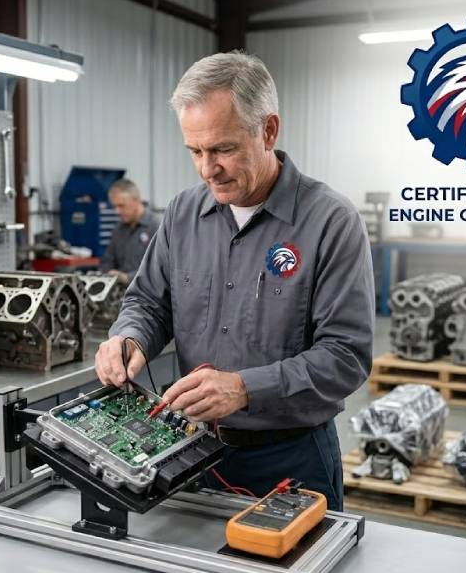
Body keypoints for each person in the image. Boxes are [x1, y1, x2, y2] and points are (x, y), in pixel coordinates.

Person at [94, 51, 374, 510]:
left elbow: (345, 357)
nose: (208, 169)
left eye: (223, 149)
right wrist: (129, 339)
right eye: (195, 152)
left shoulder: (330, 222)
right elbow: (148, 302)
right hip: (189, 451)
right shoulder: (183, 214)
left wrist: (245, 388)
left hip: (289, 460)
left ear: (268, 130)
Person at [100, 178, 159, 284]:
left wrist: (128, 278)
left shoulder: (156, 227)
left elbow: (160, 268)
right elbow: (107, 261)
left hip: (147, 296)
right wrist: (106, 273)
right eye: (114, 206)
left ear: (136, 200)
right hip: (119, 294)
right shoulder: (118, 230)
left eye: (121, 206)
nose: (116, 211)